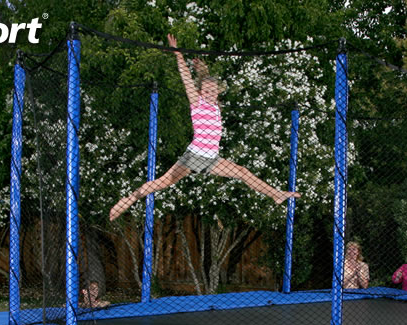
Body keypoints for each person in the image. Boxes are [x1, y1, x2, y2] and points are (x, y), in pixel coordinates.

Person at [109, 34, 300, 221]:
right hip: (194, 156)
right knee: (163, 182)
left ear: (217, 92)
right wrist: (179, 55)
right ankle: (128, 200)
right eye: (206, 91)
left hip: (211, 159)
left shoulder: (216, 106)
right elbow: (186, 79)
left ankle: (275, 194)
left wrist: (202, 70)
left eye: (213, 91)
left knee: (242, 172)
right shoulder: (197, 103)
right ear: (200, 92)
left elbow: (207, 81)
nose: (210, 94)